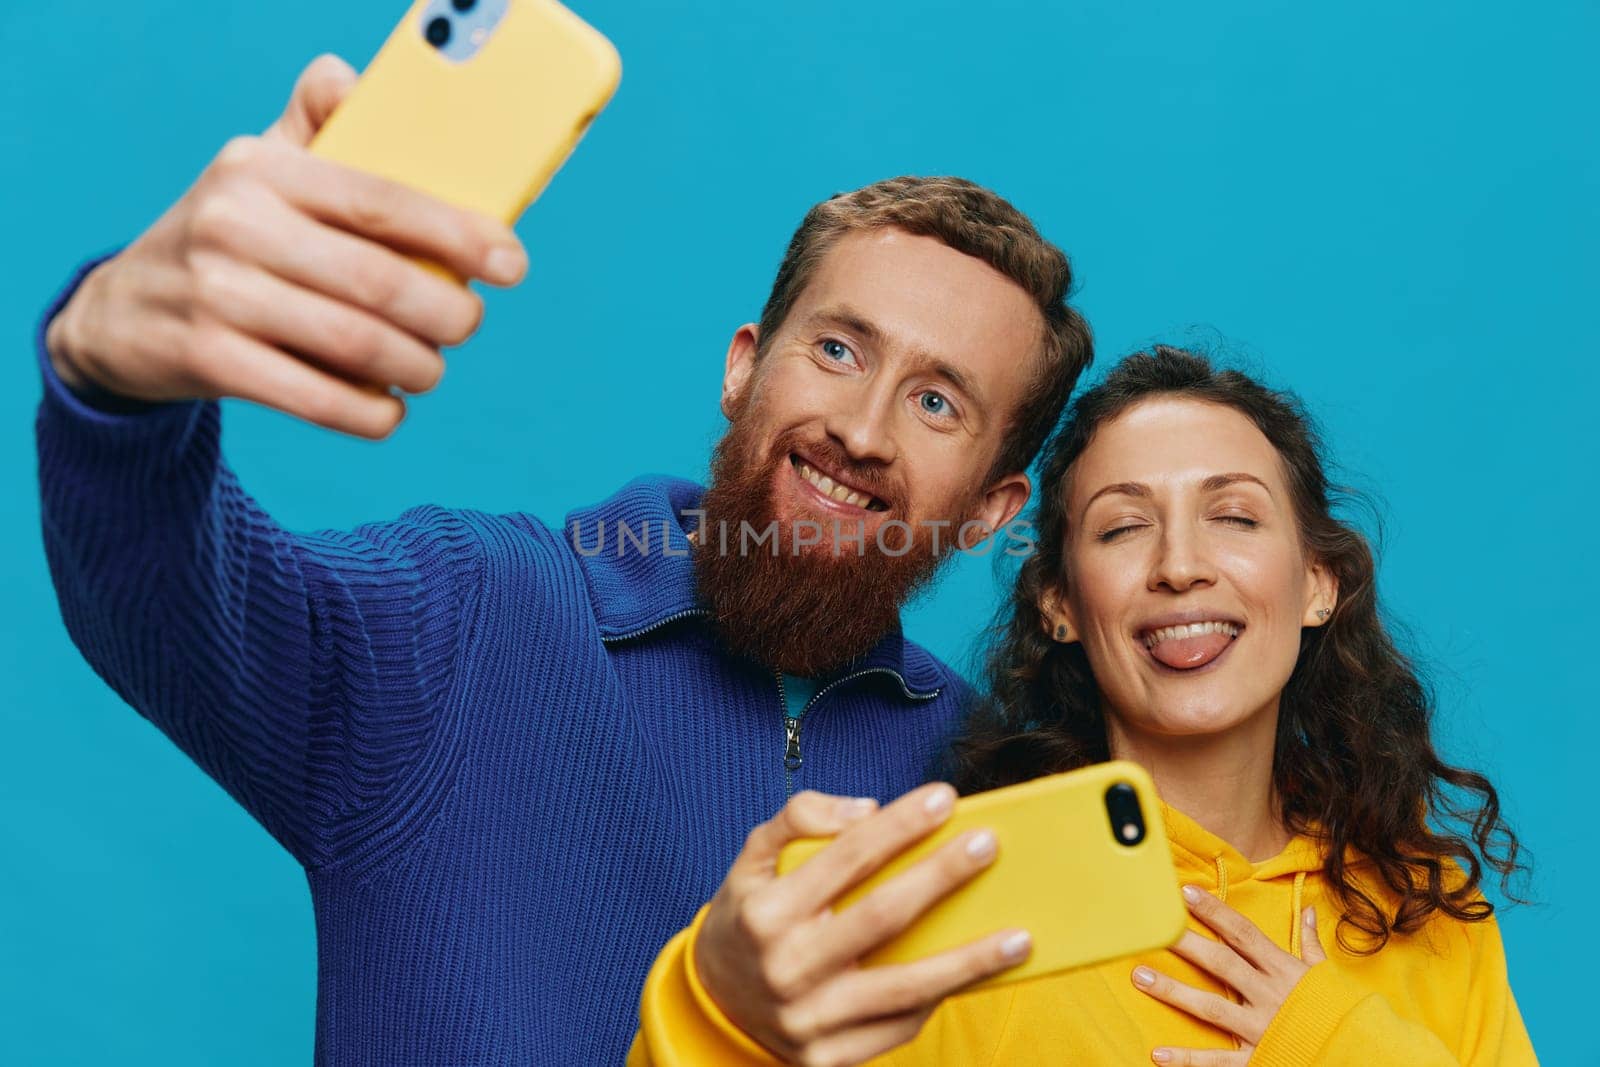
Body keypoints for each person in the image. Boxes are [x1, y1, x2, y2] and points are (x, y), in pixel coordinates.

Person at [34, 56, 1093, 1064]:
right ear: (742, 367)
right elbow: (171, 593)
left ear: (987, 509)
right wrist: (114, 386)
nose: (862, 429)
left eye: (936, 401)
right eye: (836, 348)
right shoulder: (471, 615)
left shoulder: (986, 778)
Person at [631, 346, 1534, 1066]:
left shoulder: (1428, 910)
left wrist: (1338, 1047)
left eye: (1235, 516)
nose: (1181, 565)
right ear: (1060, 604)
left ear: (1317, 583)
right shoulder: (956, 905)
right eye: (1123, 526)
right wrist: (712, 1002)